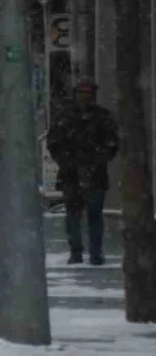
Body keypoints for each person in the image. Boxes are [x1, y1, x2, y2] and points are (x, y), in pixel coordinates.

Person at [47, 79, 119, 265]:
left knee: (94, 214)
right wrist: (67, 162)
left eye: (88, 93)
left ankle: (95, 253)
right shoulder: (65, 116)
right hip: (71, 174)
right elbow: (54, 143)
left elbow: (112, 145)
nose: (84, 96)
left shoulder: (103, 117)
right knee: (73, 214)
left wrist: (97, 161)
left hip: (95, 174)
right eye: (81, 93)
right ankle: (76, 251)